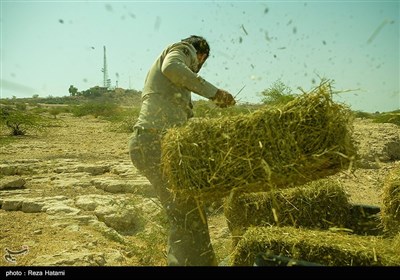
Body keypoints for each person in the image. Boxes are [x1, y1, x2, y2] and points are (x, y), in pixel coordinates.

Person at [128, 35, 236, 266]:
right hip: (154, 144)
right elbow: (172, 67)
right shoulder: (183, 49)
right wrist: (214, 93)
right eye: (201, 62)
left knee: (191, 211)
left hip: (153, 144)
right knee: (185, 213)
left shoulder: (173, 86)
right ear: (201, 55)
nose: (197, 66)